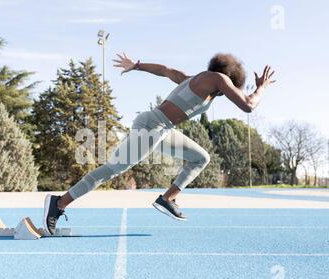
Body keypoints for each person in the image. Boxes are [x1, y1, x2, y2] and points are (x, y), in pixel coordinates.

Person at [43, 53, 276, 235]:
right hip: (153, 126)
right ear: (231, 78)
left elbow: (166, 71)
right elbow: (248, 105)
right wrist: (261, 88)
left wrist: (136, 65)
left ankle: (168, 198)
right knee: (113, 169)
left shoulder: (194, 80)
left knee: (200, 157)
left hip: (162, 129)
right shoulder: (217, 78)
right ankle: (59, 203)